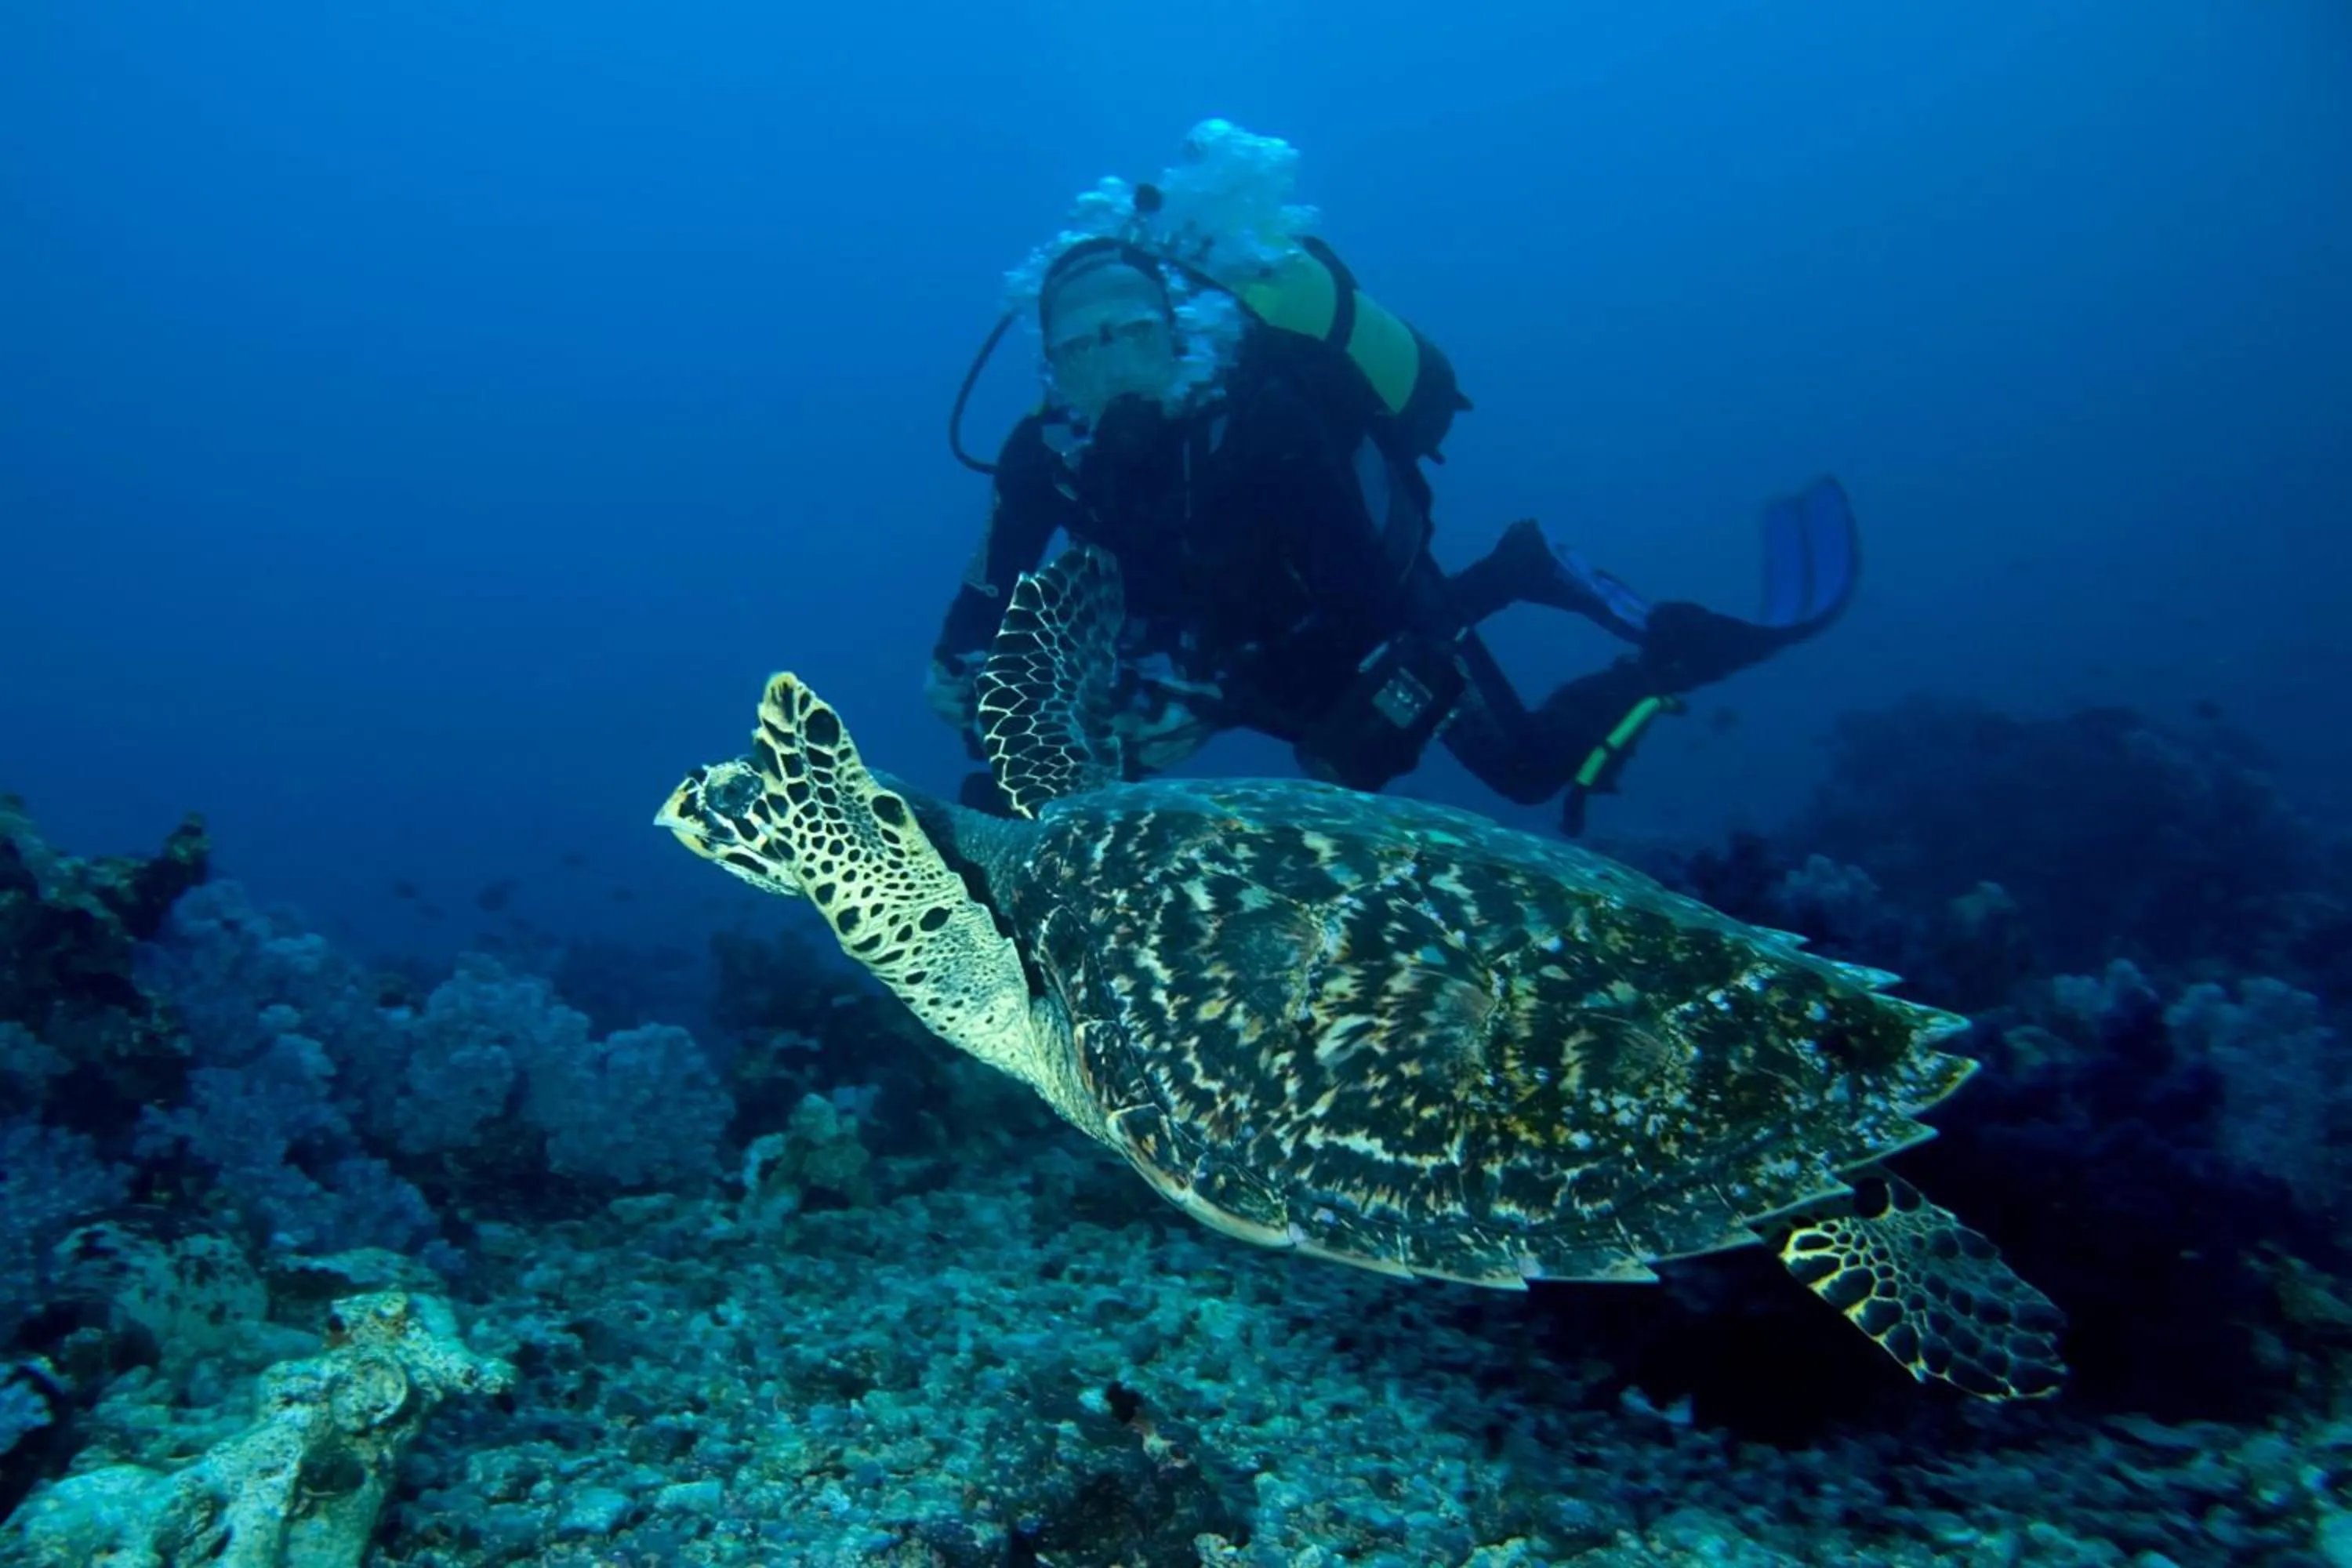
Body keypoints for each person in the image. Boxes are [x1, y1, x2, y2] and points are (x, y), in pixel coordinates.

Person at [928, 122, 1856, 833]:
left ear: (1176, 333)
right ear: (1051, 366)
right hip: (1213, 645)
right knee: (1047, 780)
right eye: (1083, 348)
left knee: (1513, 768)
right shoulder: (1042, 454)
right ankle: (1512, 569)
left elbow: (1366, 608)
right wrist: (956, 668)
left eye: (1135, 334)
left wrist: (1214, 703)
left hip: (1352, 610)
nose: (1115, 367)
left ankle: (1646, 651)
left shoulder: (1260, 420)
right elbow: (985, 594)